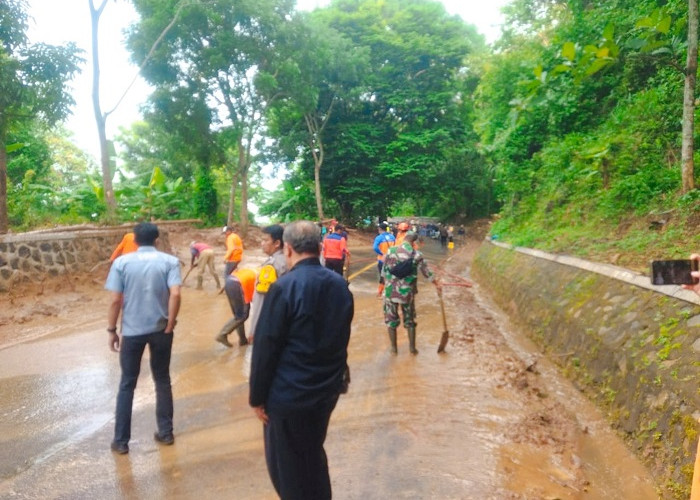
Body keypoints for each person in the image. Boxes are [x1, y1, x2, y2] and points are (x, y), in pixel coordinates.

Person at [249, 220, 353, 500]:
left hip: (289, 396)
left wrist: (256, 397)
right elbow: (340, 338)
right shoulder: (340, 285)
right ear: (319, 247)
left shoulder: (284, 288)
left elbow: (265, 347)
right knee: (312, 453)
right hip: (326, 392)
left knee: (287, 468)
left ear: (288, 249)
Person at [105, 222, 182, 454]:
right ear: (156, 240)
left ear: (135, 241)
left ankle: (121, 442)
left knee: (127, 384)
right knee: (162, 380)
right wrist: (170, 321)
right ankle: (166, 433)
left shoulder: (121, 263)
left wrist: (111, 330)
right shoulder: (170, 262)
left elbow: (116, 300)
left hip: (132, 332)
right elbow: (176, 293)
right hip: (161, 331)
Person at [383, 231, 440, 355]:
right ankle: (412, 349)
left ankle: (393, 349)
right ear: (414, 242)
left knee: (391, 320)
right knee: (410, 321)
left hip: (390, 292)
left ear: (404, 238)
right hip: (407, 293)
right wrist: (436, 283)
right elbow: (426, 273)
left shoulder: (391, 251)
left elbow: (383, 272)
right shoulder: (417, 255)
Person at [247, 224, 287, 343]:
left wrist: (254, 330)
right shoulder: (288, 260)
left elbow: (261, 300)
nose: (262, 243)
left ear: (277, 243)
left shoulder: (271, 266)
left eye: (265, 240)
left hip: (270, 325)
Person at [216, 267, 257, 347]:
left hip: (229, 282)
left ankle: (242, 340)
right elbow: (258, 300)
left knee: (238, 316)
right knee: (242, 316)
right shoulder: (263, 277)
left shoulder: (255, 270)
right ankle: (222, 334)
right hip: (238, 285)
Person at [372, 222, 396, 298]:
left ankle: (380, 293)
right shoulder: (392, 237)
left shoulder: (379, 238)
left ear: (380, 229)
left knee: (382, 277)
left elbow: (375, 247)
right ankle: (391, 292)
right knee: (391, 276)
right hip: (392, 259)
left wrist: (382, 254)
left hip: (382, 260)